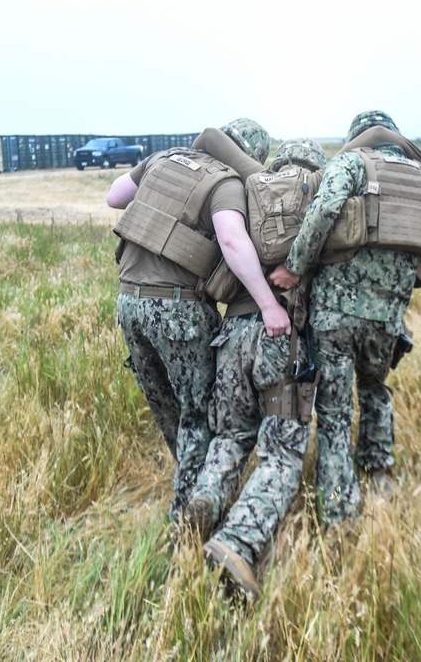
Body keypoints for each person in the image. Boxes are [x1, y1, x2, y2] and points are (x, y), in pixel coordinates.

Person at [181, 126, 421, 598]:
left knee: (231, 434)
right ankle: (237, 542)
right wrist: (420, 157)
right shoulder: (323, 190)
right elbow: (373, 136)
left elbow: (211, 138)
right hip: (280, 341)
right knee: (281, 453)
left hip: (231, 336)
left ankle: (202, 500)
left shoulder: (250, 186)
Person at [269, 110, 421, 525]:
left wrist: (295, 267)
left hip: (335, 316)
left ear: (359, 137)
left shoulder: (353, 163)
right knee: (375, 390)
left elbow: (323, 211)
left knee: (336, 413)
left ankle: (339, 513)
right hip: (387, 318)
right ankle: (379, 478)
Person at [105, 117, 290, 521]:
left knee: (166, 406)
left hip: (128, 303)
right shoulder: (225, 183)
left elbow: (114, 197)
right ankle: (188, 515)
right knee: (198, 415)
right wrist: (269, 305)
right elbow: (231, 240)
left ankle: (190, 480)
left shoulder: (161, 158)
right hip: (178, 311)